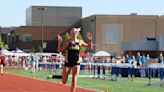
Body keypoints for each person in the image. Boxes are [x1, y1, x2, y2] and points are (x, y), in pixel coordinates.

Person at [57, 27, 93, 92]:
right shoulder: (67, 42)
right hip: (68, 63)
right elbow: (59, 50)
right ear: (70, 33)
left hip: (76, 63)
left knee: (74, 79)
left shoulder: (80, 42)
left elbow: (90, 47)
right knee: (64, 81)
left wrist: (90, 40)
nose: (74, 33)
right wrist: (59, 42)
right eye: (73, 32)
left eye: (75, 32)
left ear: (77, 33)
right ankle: (63, 76)